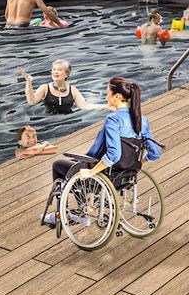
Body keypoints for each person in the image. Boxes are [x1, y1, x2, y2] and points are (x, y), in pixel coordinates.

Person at [45, 76, 161, 223]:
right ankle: (81, 213)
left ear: (117, 96)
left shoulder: (113, 119)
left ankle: (64, 214)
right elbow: (155, 153)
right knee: (74, 161)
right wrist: (140, 162)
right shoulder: (142, 121)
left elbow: (114, 154)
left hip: (106, 173)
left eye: (108, 93)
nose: (106, 96)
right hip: (127, 174)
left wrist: (91, 172)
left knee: (58, 165)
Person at [20, 60, 95, 112]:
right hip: (49, 121)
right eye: (54, 69)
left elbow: (84, 106)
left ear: (66, 74)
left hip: (68, 120)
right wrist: (28, 82)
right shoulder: (45, 88)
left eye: (59, 70)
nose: (55, 72)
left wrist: (101, 107)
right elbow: (31, 101)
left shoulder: (73, 90)